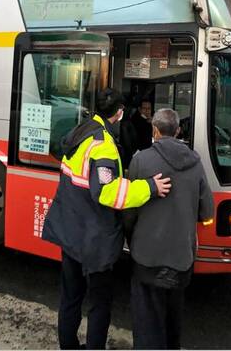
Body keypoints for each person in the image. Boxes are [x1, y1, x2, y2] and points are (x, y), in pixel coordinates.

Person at [42, 88, 172, 350]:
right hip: (94, 241)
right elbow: (107, 192)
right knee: (99, 304)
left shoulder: (81, 131)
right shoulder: (103, 146)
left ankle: (68, 346)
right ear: (120, 113)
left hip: (70, 233)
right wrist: (149, 187)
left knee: (70, 298)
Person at [124, 108, 214, 349]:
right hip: (182, 258)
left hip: (146, 256)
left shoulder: (140, 160)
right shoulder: (195, 162)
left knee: (146, 323)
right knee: (172, 321)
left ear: (154, 130)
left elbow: (129, 213)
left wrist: (131, 241)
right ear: (178, 131)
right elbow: (207, 212)